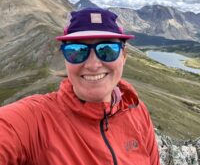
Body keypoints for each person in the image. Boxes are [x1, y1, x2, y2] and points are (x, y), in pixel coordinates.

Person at [0, 8, 161, 165]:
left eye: (107, 50)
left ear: (124, 56)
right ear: (65, 59)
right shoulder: (34, 119)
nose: (93, 65)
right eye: (77, 50)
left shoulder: (137, 111)